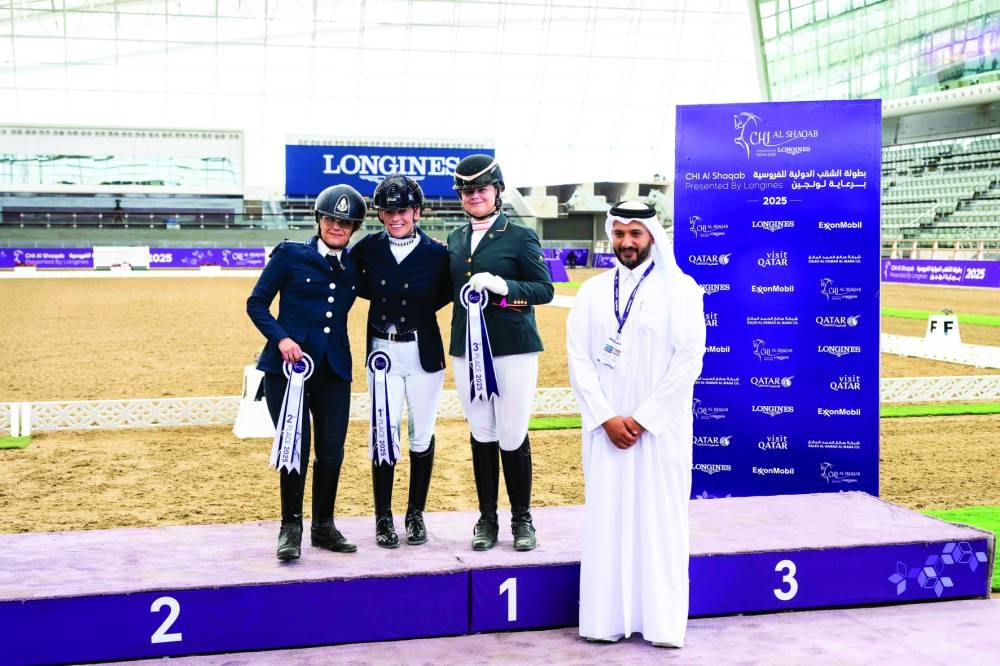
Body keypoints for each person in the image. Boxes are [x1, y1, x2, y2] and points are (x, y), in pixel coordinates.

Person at [566, 200, 706, 647]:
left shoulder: (681, 290)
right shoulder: (592, 291)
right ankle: (603, 621)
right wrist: (606, 417)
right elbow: (579, 359)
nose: (626, 242)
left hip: (660, 431)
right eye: (620, 233)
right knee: (606, 520)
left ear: (651, 236)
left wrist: (643, 419)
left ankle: (662, 625)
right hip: (606, 431)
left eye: (635, 233)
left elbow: (689, 361)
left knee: (660, 521)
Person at [246, 183, 367, 561]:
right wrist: (281, 339)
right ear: (318, 220)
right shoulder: (289, 255)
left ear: (354, 228)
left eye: (345, 222)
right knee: (294, 448)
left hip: (334, 370)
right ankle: (291, 526)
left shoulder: (354, 266)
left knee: (332, 451)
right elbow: (257, 304)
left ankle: (324, 526)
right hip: (287, 371)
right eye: (331, 219)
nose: (337, 226)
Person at [447, 154, 554, 552]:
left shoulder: (520, 235)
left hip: (512, 347)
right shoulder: (456, 238)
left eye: (481, 188)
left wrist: (505, 287)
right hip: (465, 349)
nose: (474, 196)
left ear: (497, 191)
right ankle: (487, 517)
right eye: (467, 191)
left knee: (511, 433)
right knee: (481, 432)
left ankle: (522, 518)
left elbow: (544, 290)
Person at [350, 175, 452, 548]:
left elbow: (446, 294)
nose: (395, 217)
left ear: (417, 211)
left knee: (421, 434)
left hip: (423, 353)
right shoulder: (367, 250)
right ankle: (382, 517)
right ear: (380, 213)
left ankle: (415, 513)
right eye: (388, 210)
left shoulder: (438, 254)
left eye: (402, 210)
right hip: (382, 352)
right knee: (383, 433)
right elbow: (350, 283)